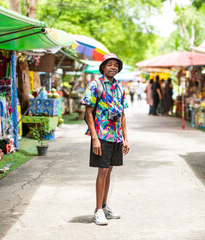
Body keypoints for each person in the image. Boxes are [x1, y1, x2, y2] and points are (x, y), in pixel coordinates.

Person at [82, 53, 130, 226]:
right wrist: (94, 138)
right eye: (109, 64)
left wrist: (125, 138)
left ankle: (104, 206)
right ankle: (97, 210)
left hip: (116, 136)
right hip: (101, 135)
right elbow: (88, 113)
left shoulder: (120, 88)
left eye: (115, 65)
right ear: (103, 67)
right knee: (102, 171)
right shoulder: (95, 85)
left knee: (109, 170)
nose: (113, 67)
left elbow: (123, 114)